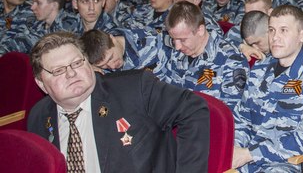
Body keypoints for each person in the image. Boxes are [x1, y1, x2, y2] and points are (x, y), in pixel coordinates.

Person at [27, 32, 210, 172]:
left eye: (77, 63)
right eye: (58, 70)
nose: (71, 73)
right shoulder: (39, 116)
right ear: (41, 84)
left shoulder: (134, 89)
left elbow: (193, 109)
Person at [232, 5, 303, 172]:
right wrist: (235, 149)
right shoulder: (260, 68)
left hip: (288, 161)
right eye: (271, 30)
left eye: (284, 30)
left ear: (302, 35)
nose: (275, 37)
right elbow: (242, 118)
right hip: (248, 154)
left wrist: (250, 154)